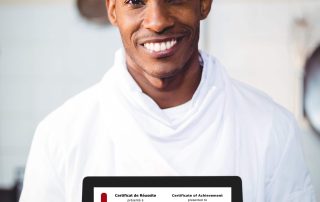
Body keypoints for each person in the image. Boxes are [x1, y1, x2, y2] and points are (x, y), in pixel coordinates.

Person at [19, 0, 316, 201]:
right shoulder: (59, 136)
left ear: (203, 3)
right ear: (112, 10)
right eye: (135, 0)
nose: (158, 21)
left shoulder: (270, 128)